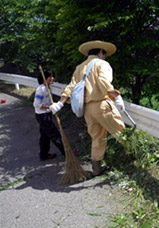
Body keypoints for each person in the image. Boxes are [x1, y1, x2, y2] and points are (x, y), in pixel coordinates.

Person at [49, 40, 125, 176]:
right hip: (101, 105)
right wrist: (115, 96)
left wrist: (60, 103)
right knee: (121, 132)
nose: (105, 56)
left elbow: (71, 87)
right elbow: (103, 81)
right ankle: (135, 158)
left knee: (97, 137)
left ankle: (96, 168)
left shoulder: (80, 67)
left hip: (87, 110)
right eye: (105, 54)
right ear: (101, 52)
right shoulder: (102, 64)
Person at [33, 69, 65, 161]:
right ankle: (66, 152)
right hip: (43, 116)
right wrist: (49, 107)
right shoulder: (41, 89)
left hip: (45, 114)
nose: (52, 78)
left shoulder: (47, 87)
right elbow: (36, 104)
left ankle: (43, 155)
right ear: (44, 78)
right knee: (54, 134)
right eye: (50, 77)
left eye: (52, 76)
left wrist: (50, 107)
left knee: (45, 136)